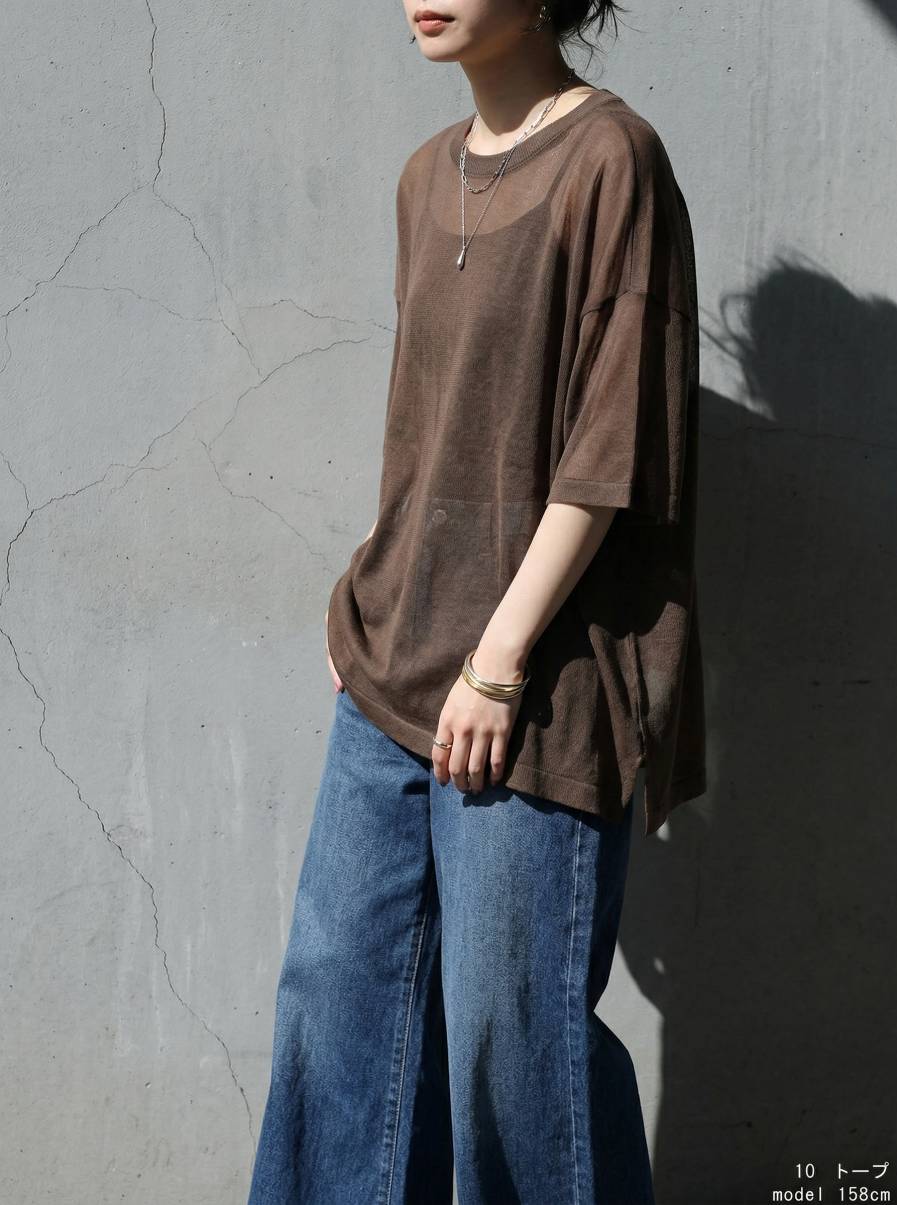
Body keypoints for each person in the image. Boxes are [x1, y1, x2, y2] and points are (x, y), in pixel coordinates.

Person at [248, 1, 707, 1201]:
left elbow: (609, 454)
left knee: (513, 1041)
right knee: (335, 1007)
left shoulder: (612, 160)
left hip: (535, 683)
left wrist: (496, 660)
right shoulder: (422, 177)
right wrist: (372, 588)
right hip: (393, 662)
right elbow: (427, 429)